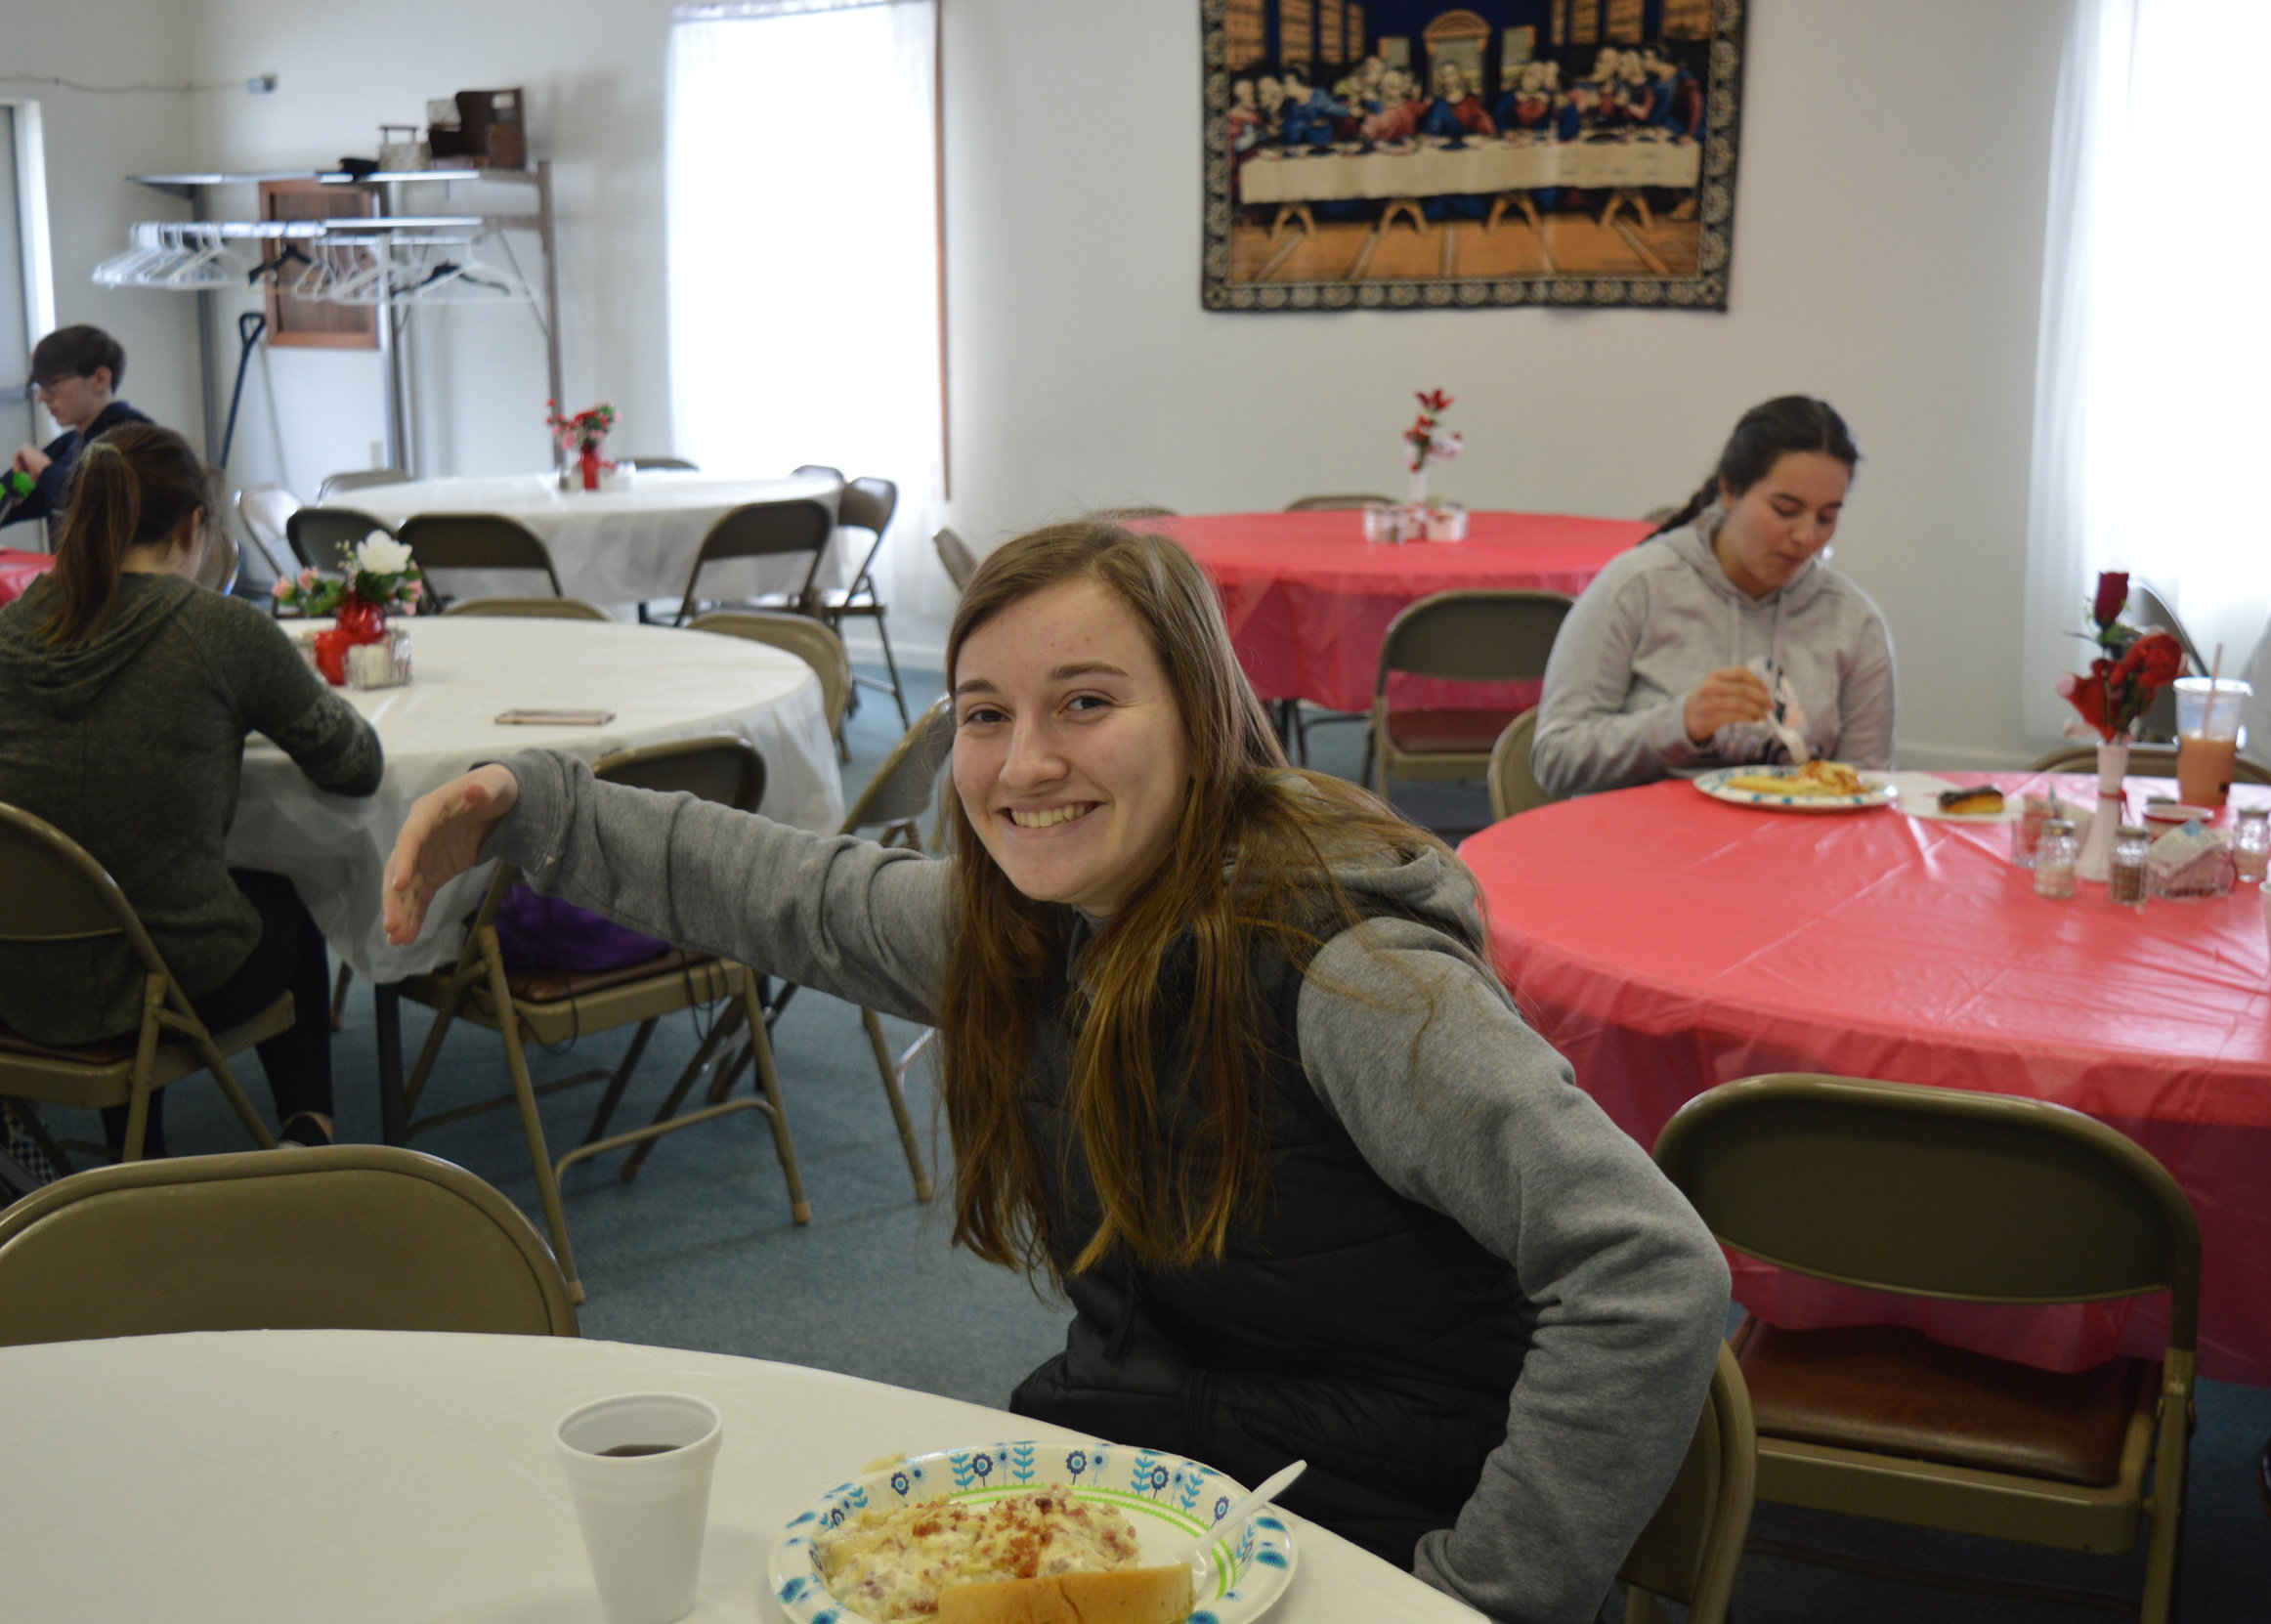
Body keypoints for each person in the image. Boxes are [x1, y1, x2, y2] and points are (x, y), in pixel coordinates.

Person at [382, 520, 1731, 1624]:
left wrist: (1479, 1599)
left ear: (1200, 723)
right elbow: (793, 889)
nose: (1024, 763)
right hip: (1151, 1476)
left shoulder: (1354, 980)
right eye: (984, 713)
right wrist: (539, 807)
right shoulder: (1021, 933)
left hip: (1377, 1518)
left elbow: (1647, 1270)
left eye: (1086, 702)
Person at [0, 425, 382, 1155]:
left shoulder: (11, 629)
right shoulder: (221, 631)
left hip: (17, 976)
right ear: (193, 526)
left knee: (116, 883)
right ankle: (307, 1132)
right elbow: (355, 766)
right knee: (278, 901)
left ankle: (133, 1150)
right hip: (166, 982)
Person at [1533, 396, 1898, 797]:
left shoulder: (1852, 621)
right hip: (1639, 845)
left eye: (1827, 517)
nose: (1806, 536)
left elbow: (1866, 789)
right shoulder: (1638, 587)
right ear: (1729, 490)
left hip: (1792, 852)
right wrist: (1680, 723)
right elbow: (1555, 761)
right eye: (1785, 509)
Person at [5, 325, 152, 534]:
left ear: (100, 379)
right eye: (40, 385)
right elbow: (11, 495)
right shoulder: (68, 446)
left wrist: (45, 471)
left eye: (52, 383)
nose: (42, 396)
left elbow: (97, 501)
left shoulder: (142, 441)